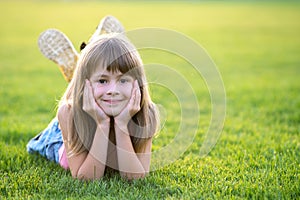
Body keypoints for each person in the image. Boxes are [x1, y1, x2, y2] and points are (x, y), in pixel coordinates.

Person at [27, 16, 160, 181]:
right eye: (103, 81)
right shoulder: (68, 114)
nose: (113, 91)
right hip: (67, 129)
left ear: (137, 84)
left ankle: (85, 63)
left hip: (93, 101)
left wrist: (121, 125)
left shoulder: (147, 113)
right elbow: (86, 178)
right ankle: (80, 72)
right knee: (40, 144)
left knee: (92, 80)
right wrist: (102, 124)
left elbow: (135, 177)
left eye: (123, 80)